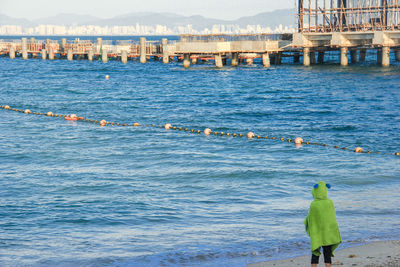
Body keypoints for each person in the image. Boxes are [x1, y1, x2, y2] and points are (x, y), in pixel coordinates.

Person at [305, 181, 341, 267]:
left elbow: (310, 219)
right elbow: (332, 218)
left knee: (315, 252)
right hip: (328, 232)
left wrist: (305, 221)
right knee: (327, 253)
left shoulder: (314, 204)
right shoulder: (330, 202)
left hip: (317, 232)